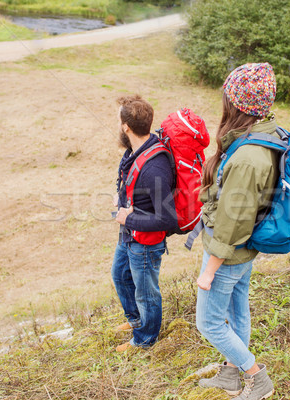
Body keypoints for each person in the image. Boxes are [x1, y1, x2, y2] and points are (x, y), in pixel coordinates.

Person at [195, 63, 276, 400]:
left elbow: (232, 222)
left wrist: (209, 270)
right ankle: (230, 374)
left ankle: (257, 378)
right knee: (237, 312)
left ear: (237, 103)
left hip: (227, 254)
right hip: (242, 253)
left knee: (209, 322)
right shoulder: (262, 134)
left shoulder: (247, 157)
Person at [111, 94, 178, 352]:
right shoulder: (134, 151)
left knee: (146, 293)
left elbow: (167, 219)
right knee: (120, 275)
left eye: (119, 120)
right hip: (130, 233)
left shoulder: (155, 168)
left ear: (126, 126)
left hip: (146, 242)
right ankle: (136, 320)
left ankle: (145, 339)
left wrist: (130, 217)